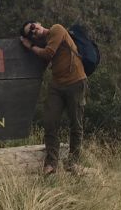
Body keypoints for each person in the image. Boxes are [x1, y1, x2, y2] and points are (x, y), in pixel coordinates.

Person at [20, 21, 86, 175]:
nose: (33, 31)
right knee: (50, 122)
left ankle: (73, 162)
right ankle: (51, 164)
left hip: (75, 81)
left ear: (38, 23)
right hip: (57, 84)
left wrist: (30, 46)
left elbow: (49, 53)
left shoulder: (57, 29)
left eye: (32, 27)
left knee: (76, 123)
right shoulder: (44, 42)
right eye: (30, 33)